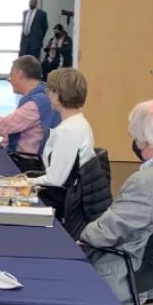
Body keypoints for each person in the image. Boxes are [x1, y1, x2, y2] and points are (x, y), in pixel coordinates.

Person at [80, 100, 153, 305]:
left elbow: (102, 234)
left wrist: (83, 234)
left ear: (143, 141)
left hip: (132, 276)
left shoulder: (144, 182)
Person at [27, 68, 95, 213]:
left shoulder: (67, 131)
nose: (47, 95)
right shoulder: (80, 122)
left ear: (57, 95)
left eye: (49, 91)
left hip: (62, 198)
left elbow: (55, 180)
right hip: (71, 192)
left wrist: (23, 182)